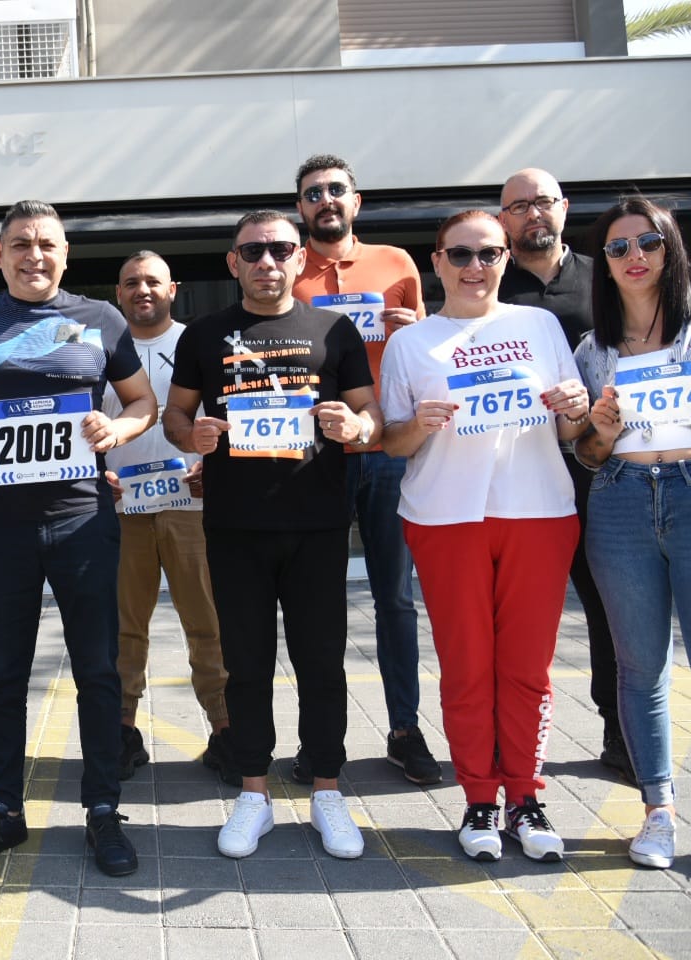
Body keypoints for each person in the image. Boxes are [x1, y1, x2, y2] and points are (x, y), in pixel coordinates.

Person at [0, 200, 157, 878]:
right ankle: (4, 810)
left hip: (82, 519)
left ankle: (103, 809)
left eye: (48, 244)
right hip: (1, 524)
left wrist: (117, 429)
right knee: (4, 673)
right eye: (21, 244)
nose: (35, 255)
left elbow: (143, 402)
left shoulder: (102, 318)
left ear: (65, 255)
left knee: (98, 670)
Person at [164, 211, 377, 863]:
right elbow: (175, 415)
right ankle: (253, 793)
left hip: (317, 524)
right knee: (247, 664)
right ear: (233, 263)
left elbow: (370, 414)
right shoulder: (204, 334)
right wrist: (192, 435)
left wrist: (357, 428)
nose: (267, 261)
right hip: (235, 526)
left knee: (321, 663)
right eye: (253, 251)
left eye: (281, 249)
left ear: (298, 257)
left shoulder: (334, 330)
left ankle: (327, 790)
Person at [379, 210, 588, 863]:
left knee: (525, 669)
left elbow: (569, 430)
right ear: (437, 262)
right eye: (462, 255)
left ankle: (525, 796)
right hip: (446, 518)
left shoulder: (539, 325)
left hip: (538, 512)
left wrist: (577, 410)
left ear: (506, 259)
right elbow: (393, 444)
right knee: (467, 668)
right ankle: (478, 799)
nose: (476, 267)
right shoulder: (410, 343)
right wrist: (418, 424)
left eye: (490, 254)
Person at [574, 196, 691, 889]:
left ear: (672, 248)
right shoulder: (594, 348)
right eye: (618, 248)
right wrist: (601, 430)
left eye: (648, 242)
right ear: (605, 264)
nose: (634, 256)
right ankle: (657, 812)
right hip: (620, 501)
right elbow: (587, 455)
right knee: (639, 669)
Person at [289, 154, 442, 786]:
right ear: (300, 207)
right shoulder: (287, 266)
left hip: (387, 452)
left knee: (395, 599)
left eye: (335, 190)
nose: (325, 199)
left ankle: (405, 730)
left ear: (356, 201)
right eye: (312, 193)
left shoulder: (397, 263)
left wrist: (417, 328)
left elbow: (430, 352)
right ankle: (320, 741)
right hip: (314, 457)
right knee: (314, 605)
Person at [498, 168, 632, 785]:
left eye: (544, 202)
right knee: (515, 618)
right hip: (520, 475)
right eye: (519, 205)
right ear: (503, 220)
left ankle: (621, 732)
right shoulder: (492, 285)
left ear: (565, 208)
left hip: (606, 471)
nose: (534, 213)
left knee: (610, 608)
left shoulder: (607, 276)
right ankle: (506, 739)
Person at [101, 251, 229, 780]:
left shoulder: (201, 343)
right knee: (122, 628)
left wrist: (213, 467)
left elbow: (226, 415)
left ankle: (225, 729)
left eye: (152, 281)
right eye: (131, 282)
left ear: (173, 288)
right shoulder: (102, 347)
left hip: (191, 507)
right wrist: (96, 474)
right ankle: (122, 730)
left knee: (209, 624)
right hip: (121, 508)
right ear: (118, 293)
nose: (142, 290)